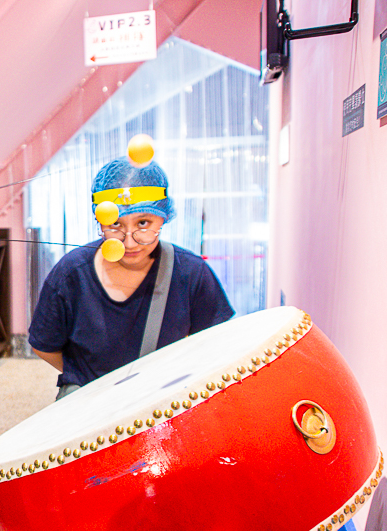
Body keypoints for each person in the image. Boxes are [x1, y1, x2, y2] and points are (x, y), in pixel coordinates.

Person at [28, 156, 234, 399]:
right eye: (115, 225)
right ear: (99, 221)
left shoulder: (191, 272)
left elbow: (215, 345)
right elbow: (44, 345)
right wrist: (95, 384)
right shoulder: (71, 273)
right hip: (88, 405)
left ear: (163, 217)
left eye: (143, 223)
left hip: (161, 406)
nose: (129, 241)